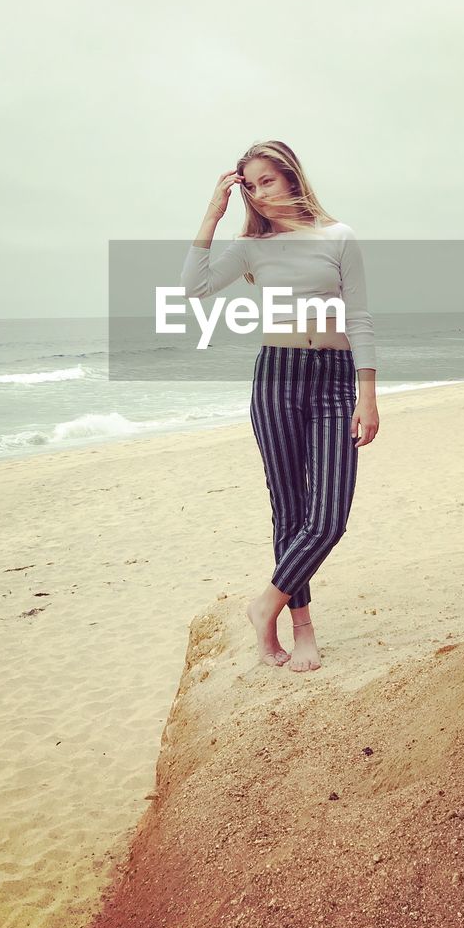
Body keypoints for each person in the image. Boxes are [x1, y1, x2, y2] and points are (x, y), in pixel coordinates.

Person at [180, 139, 379, 673]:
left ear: (290, 177)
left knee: (329, 515)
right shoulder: (250, 249)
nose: (261, 193)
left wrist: (369, 395)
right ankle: (302, 629)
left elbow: (358, 318)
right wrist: (214, 212)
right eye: (250, 186)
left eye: (267, 180)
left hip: (335, 380)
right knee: (288, 510)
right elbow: (193, 287)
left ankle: (263, 605)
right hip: (277, 377)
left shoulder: (339, 237)